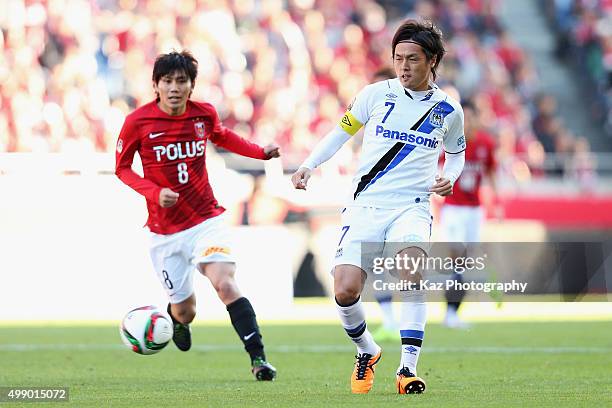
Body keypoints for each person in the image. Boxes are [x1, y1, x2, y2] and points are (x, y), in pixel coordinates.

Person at [292, 19, 465, 395]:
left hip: (412, 206)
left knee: (411, 273)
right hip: (366, 204)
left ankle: (407, 369)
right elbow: (340, 131)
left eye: (413, 59)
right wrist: (309, 164)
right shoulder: (374, 94)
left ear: (432, 60)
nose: (403, 66)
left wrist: (449, 177)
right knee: (345, 290)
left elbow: (455, 154)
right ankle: (367, 350)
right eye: (398, 58)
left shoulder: (448, 109)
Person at [115, 50, 279, 380]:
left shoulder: (203, 114)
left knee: (225, 284)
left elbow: (223, 137)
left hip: (206, 221)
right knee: (186, 311)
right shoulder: (138, 122)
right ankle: (176, 320)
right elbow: (121, 169)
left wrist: (259, 152)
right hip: (164, 233)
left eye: (181, 81)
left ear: (191, 86)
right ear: (156, 85)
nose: (174, 87)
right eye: (167, 81)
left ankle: (258, 359)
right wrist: (153, 192)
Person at [440, 100, 497, 328]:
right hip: (453, 208)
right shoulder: (448, 143)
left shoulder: (485, 143)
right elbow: (434, 169)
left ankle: (452, 310)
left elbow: (491, 171)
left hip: (474, 209)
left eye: (471, 118)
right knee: (457, 258)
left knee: (464, 261)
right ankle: (451, 310)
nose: (468, 123)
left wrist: (496, 201)